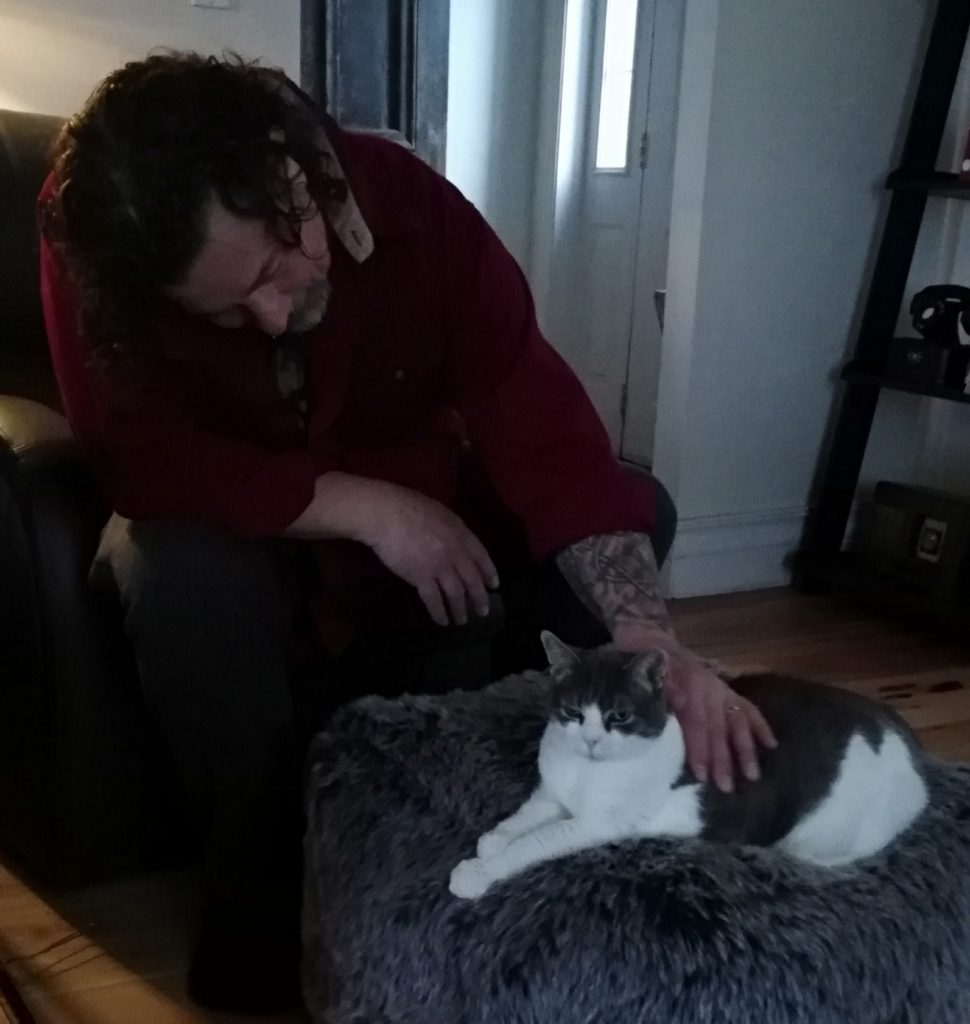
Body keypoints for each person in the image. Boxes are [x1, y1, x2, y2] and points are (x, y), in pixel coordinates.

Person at [39, 52, 775, 1013]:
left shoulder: (416, 212)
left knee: (633, 518)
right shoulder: (100, 245)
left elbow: (541, 421)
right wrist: (361, 505)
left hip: (417, 556)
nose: (267, 316)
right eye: (224, 311)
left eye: (272, 269)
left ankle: (528, 818)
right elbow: (141, 459)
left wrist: (647, 638)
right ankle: (256, 899)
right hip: (246, 553)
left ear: (291, 174)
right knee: (171, 568)